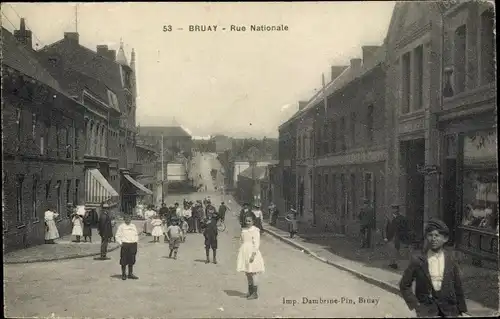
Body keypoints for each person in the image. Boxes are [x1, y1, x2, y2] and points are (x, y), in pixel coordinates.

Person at [399, 218, 467, 317]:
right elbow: (404, 285)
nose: (433, 239)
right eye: (430, 235)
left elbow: (457, 285)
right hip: (427, 311)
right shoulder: (418, 260)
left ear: (445, 239)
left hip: (449, 311)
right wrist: (416, 305)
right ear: (426, 237)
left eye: (437, 235)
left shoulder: (451, 259)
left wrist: (461, 309)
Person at [237, 215, 265, 300]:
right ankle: (250, 291)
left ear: (253, 221)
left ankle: (255, 293)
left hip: (252, 252)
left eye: (249, 221)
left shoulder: (255, 230)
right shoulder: (244, 230)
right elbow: (241, 241)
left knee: (253, 272)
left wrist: (253, 255)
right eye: (246, 221)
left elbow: (256, 244)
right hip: (245, 252)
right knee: (248, 273)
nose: (247, 222)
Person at [384, 204, 413, 269]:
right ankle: (392, 263)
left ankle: (394, 263)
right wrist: (386, 237)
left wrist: (405, 236)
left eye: (396, 209)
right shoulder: (390, 218)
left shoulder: (402, 218)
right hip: (391, 236)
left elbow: (405, 228)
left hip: (398, 236)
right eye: (393, 209)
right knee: (391, 250)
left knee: (396, 250)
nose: (394, 210)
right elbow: (387, 228)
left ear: (398, 210)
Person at [115, 214, 139, 280]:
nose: (128, 220)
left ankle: (130, 274)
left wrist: (136, 241)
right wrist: (120, 243)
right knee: (124, 260)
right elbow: (117, 236)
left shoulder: (133, 226)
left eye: (129, 218)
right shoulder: (121, 227)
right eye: (126, 219)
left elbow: (136, 234)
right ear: (124, 219)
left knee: (132, 259)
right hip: (125, 244)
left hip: (133, 244)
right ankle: (123, 274)